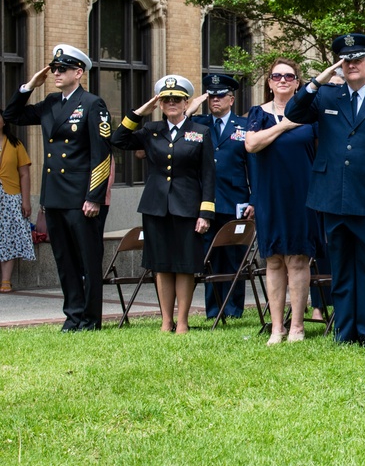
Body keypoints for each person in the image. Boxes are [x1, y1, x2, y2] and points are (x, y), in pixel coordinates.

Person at [285, 33, 365, 346]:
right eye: (346, 60)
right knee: (339, 265)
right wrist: (317, 80)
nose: (351, 65)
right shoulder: (326, 96)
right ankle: (345, 332)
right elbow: (293, 113)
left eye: (357, 59)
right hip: (332, 195)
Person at [2, 44, 113, 331]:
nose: (56, 73)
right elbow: (12, 116)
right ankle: (73, 315)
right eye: (54, 69)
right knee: (64, 260)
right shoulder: (51, 103)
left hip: (80, 197)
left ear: (79, 72)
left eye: (62, 69)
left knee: (87, 260)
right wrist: (28, 86)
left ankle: (90, 319)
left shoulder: (92, 104)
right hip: (54, 196)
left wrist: (94, 196)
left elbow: (101, 154)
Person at [111, 75, 214, 334]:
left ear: (186, 102)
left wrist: (205, 212)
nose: (171, 103)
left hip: (188, 207)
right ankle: (166, 320)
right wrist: (140, 112)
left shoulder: (200, 132)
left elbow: (208, 175)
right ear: (160, 103)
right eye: (166, 99)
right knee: (161, 264)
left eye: (176, 99)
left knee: (185, 264)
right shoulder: (151, 130)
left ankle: (182, 321)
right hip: (156, 206)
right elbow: (119, 139)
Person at [245, 58, 326, 344]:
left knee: (298, 260)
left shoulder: (311, 115)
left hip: (303, 195)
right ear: (268, 83)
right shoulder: (258, 113)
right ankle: (277, 327)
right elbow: (251, 144)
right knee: (274, 260)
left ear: (297, 83)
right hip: (269, 196)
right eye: (276, 76)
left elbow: (320, 153)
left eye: (289, 76)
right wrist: (283, 126)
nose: (282, 80)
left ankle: (298, 327)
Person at [186, 74, 254, 321]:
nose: (215, 100)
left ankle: (234, 309)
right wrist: (189, 110)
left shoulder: (244, 126)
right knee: (210, 258)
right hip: (206, 202)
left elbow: (253, 165)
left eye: (220, 96)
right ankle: (213, 310)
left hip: (235, 199)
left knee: (234, 257)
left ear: (231, 99)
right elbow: (177, 133)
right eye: (211, 96)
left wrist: (254, 198)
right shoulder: (198, 125)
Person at [0, 115, 34, 293]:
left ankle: (6, 280)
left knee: (8, 237)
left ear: (4, 122)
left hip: (10, 197)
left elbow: (25, 174)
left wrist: (26, 201)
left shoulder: (15, 144)